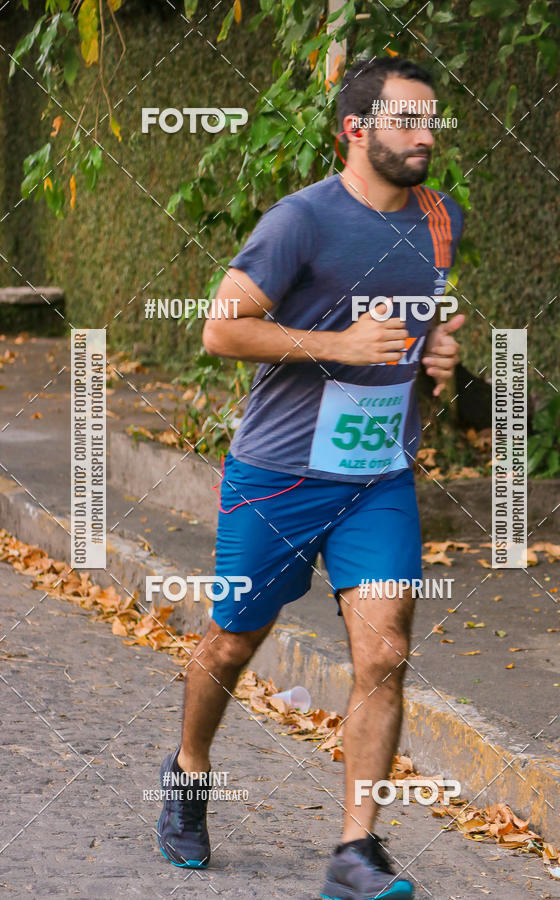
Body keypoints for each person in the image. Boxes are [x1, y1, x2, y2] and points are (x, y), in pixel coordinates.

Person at [157, 56, 465, 900]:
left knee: (385, 652)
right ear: (355, 130)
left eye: (433, 120)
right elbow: (221, 330)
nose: (427, 135)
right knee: (233, 642)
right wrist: (338, 346)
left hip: (378, 477)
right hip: (280, 475)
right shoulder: (300, 221)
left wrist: (438, 350)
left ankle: (355, 853)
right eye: (408, 121)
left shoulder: (441, 217)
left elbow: (426, 317)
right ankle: (189, 769)